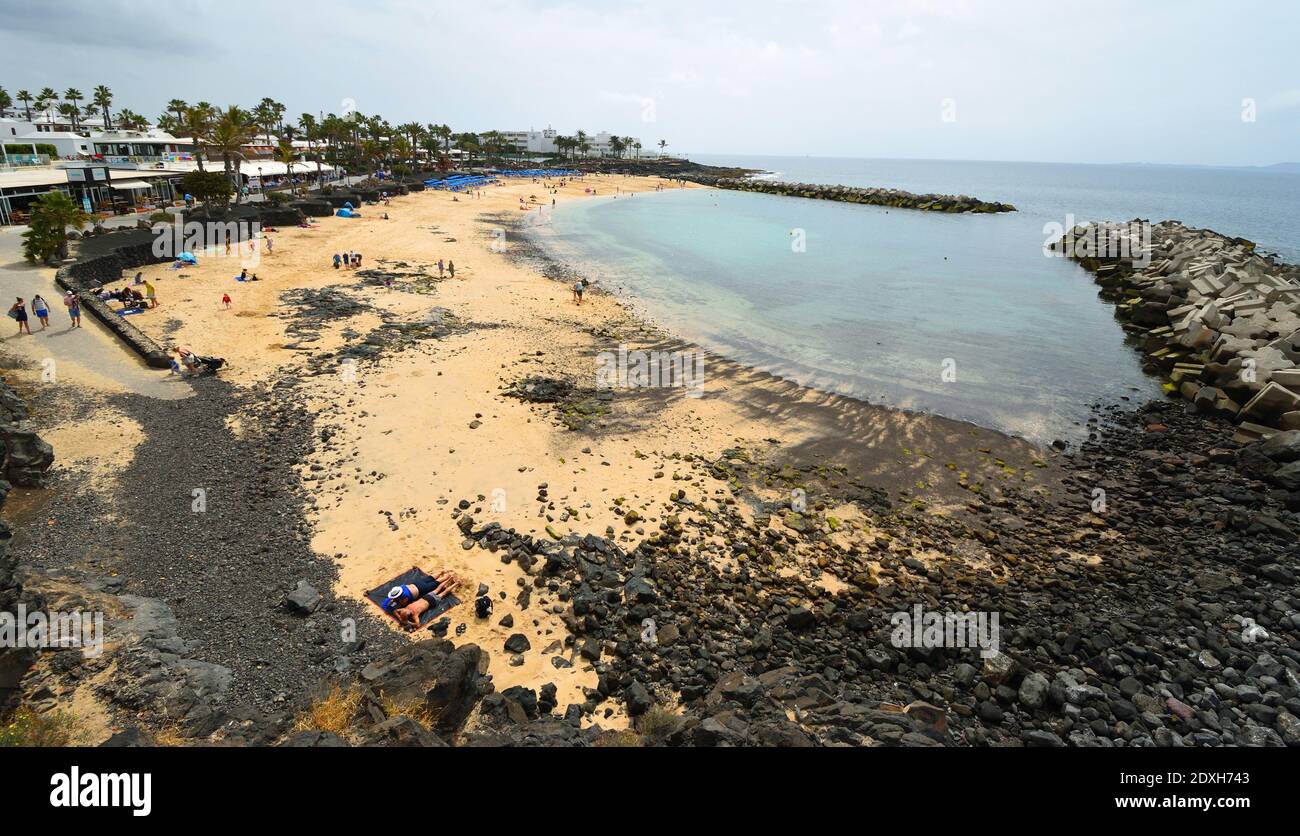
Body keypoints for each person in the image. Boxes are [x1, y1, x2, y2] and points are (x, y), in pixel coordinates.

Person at [387, 570, 461, 630]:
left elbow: (417, 625)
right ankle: (449, 578)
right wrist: (401, 618)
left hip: (430, 601)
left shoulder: (414, 615)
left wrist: (407, 622)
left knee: (443, 593)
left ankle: (455, 583)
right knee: (439, 587)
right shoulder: (406, 609)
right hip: (426, 597)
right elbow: (396, 611)